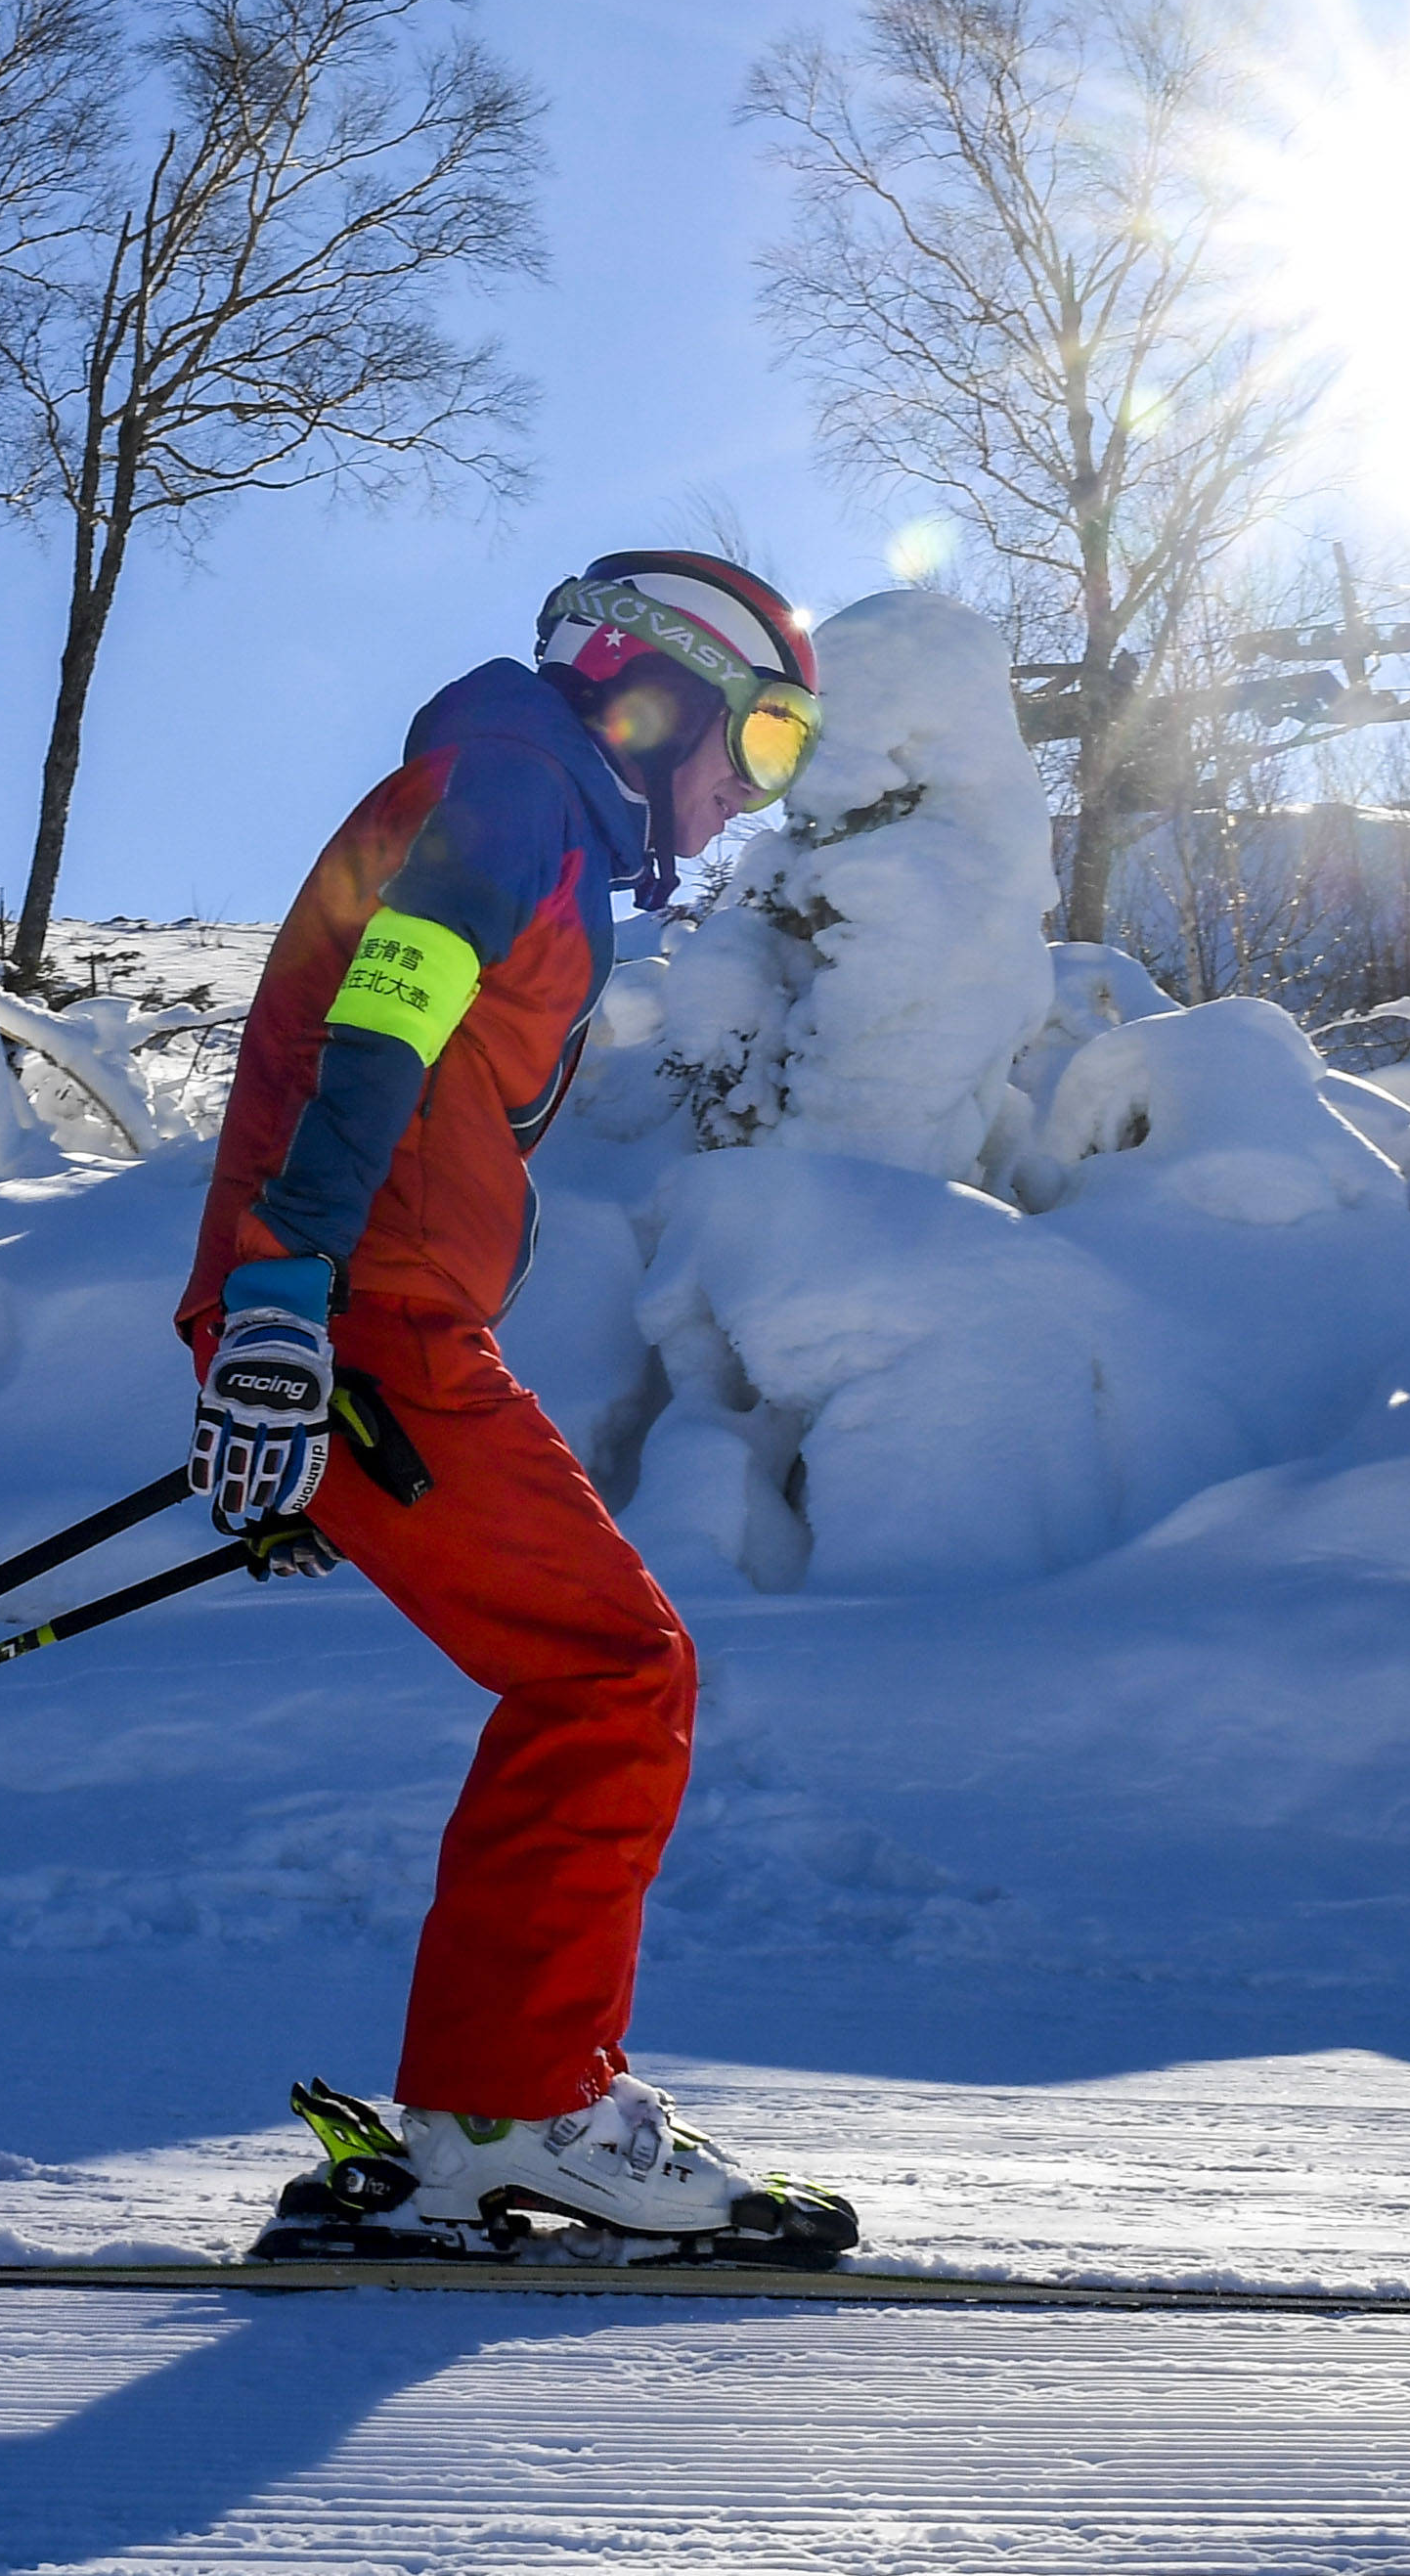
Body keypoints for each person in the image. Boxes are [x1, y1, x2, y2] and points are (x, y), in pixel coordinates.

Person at [180, 552, 855, 2256]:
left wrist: (284, 1323)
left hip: (369, 1317)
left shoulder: (515, 801)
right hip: (369, 1312)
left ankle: (495, 2101)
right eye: (760, 743)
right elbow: (379, 1019)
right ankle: (516, 2107)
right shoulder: (515, 798)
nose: (743, 800)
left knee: (597, 1669)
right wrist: (286, 1300)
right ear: (672, 690)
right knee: (615, 1672)